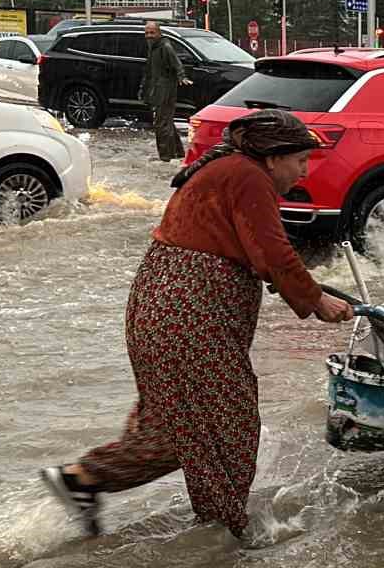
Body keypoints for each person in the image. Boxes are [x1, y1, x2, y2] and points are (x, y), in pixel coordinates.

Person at [41, 110, 354, 539]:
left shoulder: (233, 170)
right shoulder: (247, 176)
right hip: (189, 318)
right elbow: (271, 252)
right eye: (300, 158)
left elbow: (259, 254)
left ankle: (84, 480)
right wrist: (316, 300)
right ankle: (227, 535)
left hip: (164, 311)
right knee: (229, 424)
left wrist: (308, 290)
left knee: (176, 431)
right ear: (271, 158)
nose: (305, 168)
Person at [141, 21, 191, 161]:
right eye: (146, 33)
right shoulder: (153, 47)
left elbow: (176, 63)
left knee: (161, 123)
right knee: (166, 121)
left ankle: (165, 157)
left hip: (166, 89)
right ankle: (178, 153)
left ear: (159, 33)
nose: (149, 36)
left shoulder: (165, 46)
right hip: (157, 89)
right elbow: (150, 71)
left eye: (152, 33)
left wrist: (182, 76)